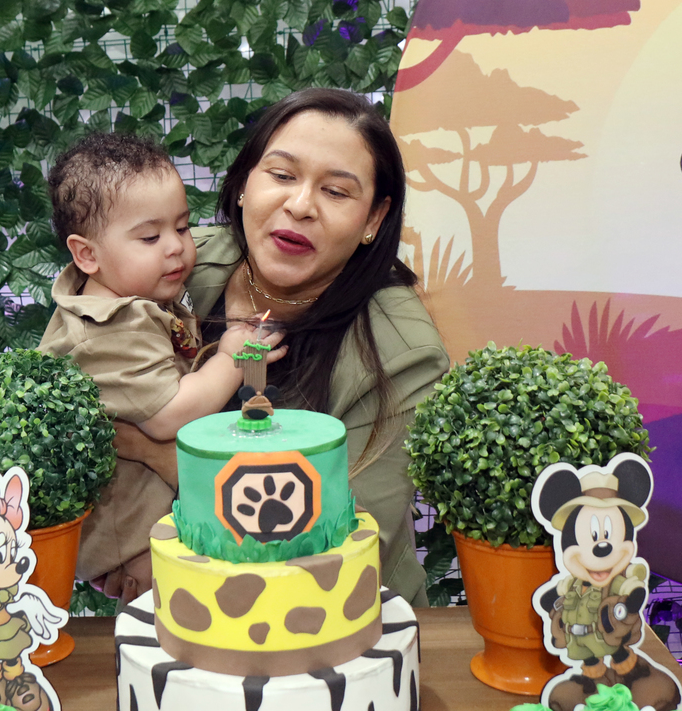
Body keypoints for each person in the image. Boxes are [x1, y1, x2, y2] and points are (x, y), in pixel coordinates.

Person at [108, 87, 449, 606]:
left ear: (373, 220)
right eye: (282, 175)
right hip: (177, 612)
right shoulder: (178, 264)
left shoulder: (404, 353)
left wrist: (150, 451)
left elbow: (340, 537)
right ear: (245, 183)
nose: (300, 205)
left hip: (336, 620)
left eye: (336, 191)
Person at [38, 132, 286, 597]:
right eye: (150, 237)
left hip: (148, 516)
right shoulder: (110, 328)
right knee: (175, 618)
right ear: (86, 254)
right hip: (133, 540)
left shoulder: (130, 294)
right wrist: (235, 356)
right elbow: (170, 414)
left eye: (183, 227)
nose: (175, 247)